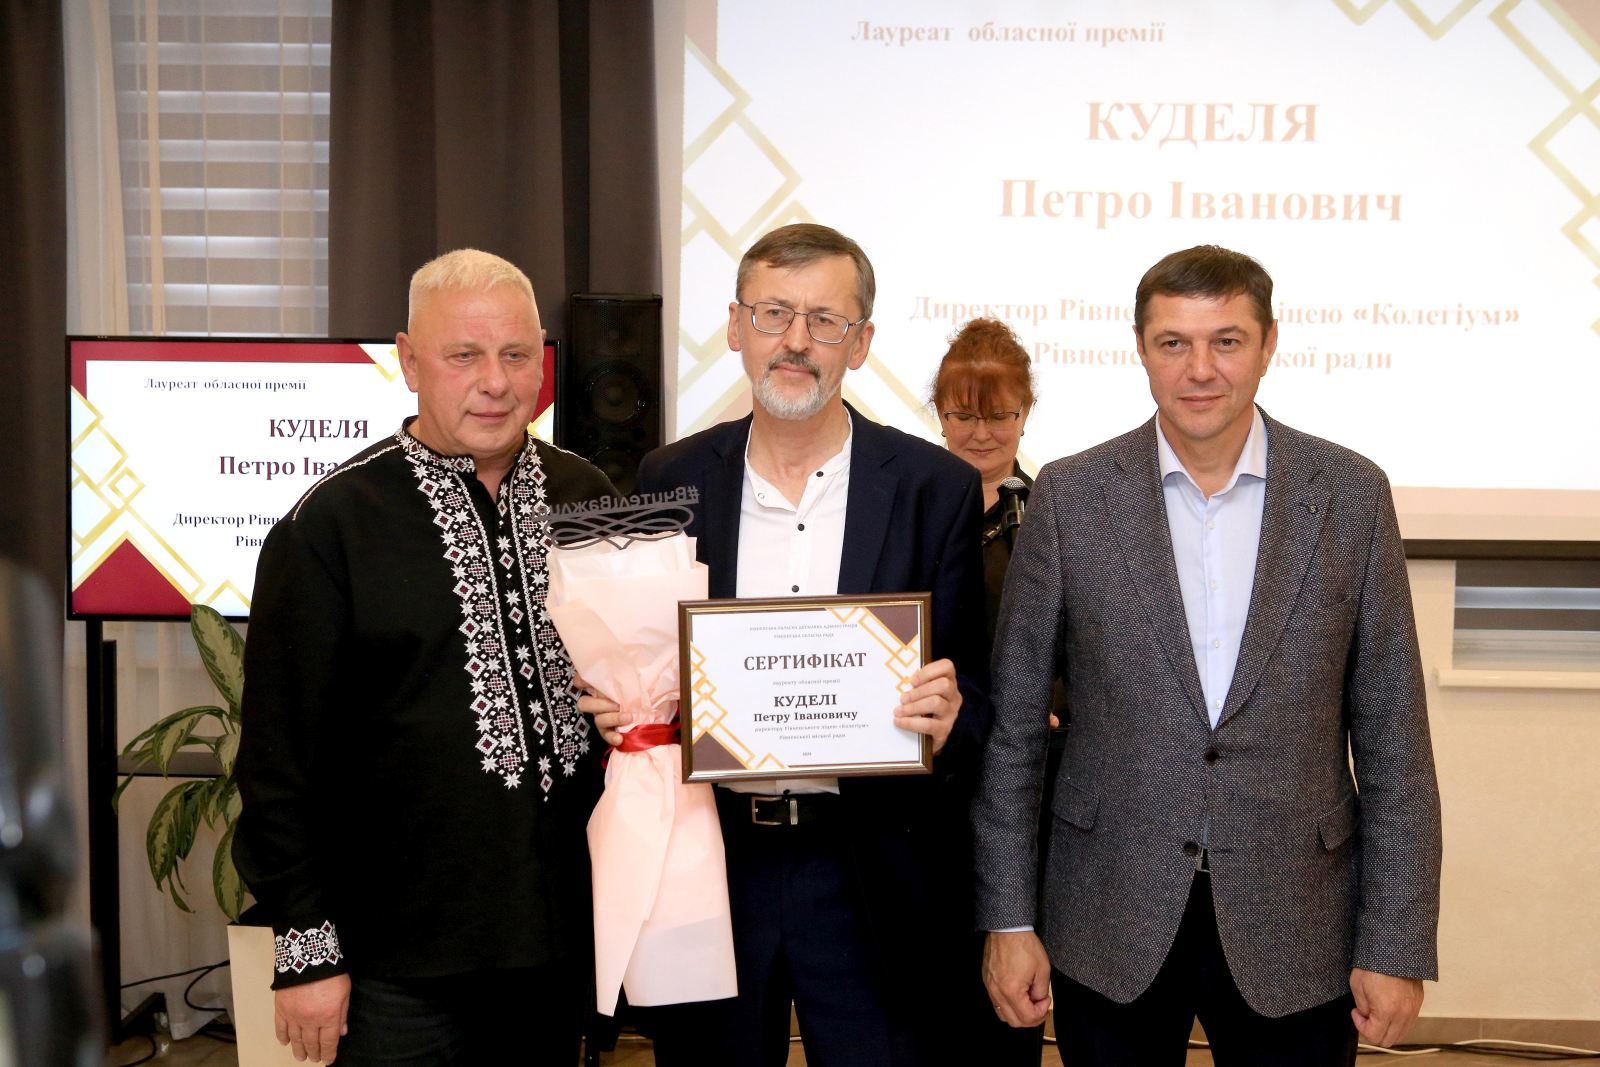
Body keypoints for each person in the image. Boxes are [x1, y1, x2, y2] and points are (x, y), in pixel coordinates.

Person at [973, 245, 1443, 1065]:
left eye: (1226, 341)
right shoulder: (1071, 497)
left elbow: (1394, 740)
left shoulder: (1350, 494)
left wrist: (1396, 941)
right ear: (1140, 348)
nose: (1199, 369)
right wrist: (1008, 919)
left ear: (1268, 344)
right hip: (1107, 914)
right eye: (1173, 343)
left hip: (1299, 921)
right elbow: (1014, 732)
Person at [586, 222, 991, 1066]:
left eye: (825, 320)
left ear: (861, 342)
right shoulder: (671, 478)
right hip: (713, 860)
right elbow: (645, 663)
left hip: (872, 871)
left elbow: (982, 702)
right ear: (736, 327)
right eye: (773, 313)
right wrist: (624, 710)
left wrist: (952, 717)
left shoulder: (934, 487)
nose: (796, 340)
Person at [234, 249, 616, 1066]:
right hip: (394, 968)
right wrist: (307, 951)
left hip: (554, 954)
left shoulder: (588, 499)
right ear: (409, 361)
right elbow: (277, 760)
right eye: (463, 356)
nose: (495, 382)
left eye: (516, 355)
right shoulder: (329, 526)